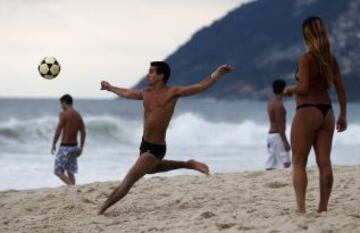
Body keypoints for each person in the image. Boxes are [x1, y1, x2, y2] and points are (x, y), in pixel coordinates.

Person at [98, 61, 232, 215]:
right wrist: (110, 88)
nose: (149, 74)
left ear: (161, 76)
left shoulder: (173, 92)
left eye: (152, 72)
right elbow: (127, 93)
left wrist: (218, 74)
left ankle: (102, 209)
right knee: (150, 170)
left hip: (155, 148)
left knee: (129, 179)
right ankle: (188, 164)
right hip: (144, 145)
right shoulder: (145, 93)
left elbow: (200, 86)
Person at [283, 16, 347, 213]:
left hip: (307, 110)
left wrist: (289, 89)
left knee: (299, 162)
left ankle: (301, 209)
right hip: (327, 111)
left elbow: (303, 88)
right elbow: (341, 89)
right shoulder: (331, 59)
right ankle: (323, 208)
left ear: (307, 35)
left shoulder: (306, 58)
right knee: (324, 162)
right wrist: (343, 114)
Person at [51, 94, 86, 186]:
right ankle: (73, 189)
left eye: (61, 104)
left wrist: (53, 144)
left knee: (58, 171)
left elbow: (58, 130)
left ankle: (71, 186)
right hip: (74, 146)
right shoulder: (78, 114)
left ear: (64, 102)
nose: (61, 106)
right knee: (70, 171)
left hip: (65, 147)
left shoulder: (64, 114)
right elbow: (83, 132)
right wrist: (81, 147)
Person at [266, 79, 291, 170]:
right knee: (286, 163)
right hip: (277, 136)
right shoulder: (279, 105)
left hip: (270, 136)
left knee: (271, 163)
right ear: (283, 89)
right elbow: (280, 125)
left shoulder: (271, 102)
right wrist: (285, 142)